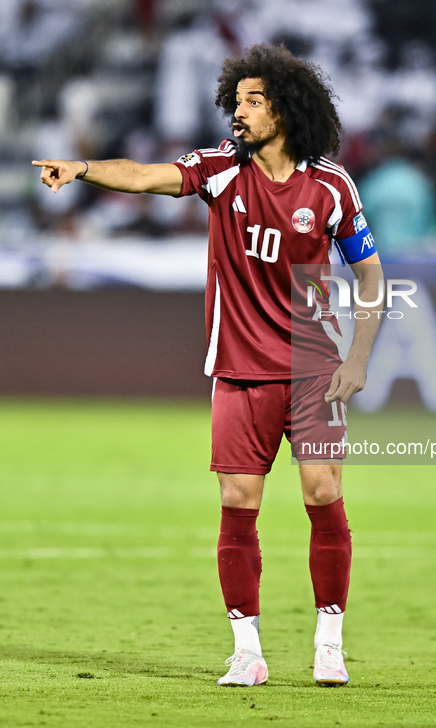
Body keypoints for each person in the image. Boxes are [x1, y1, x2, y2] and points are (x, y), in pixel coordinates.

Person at [32, 44, 383, 688]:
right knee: (237, 501)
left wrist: (358, 358)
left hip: (314, 368)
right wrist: (81, 168)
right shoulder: (221, 170)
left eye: (253, 101)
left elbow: (371, 274)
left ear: (285, 107)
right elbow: (142, 176)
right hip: (241, 369)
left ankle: (329, 642)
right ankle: (247, 651)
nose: (239, 114)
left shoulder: (331, 186)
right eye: (236, 102)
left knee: (324, 492)